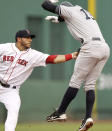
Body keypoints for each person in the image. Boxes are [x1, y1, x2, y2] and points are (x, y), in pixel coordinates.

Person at [41, 0, 110, 131]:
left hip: (90, 46)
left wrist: (51, 1)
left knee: (75, 82)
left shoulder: (69, 10)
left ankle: (60, 112)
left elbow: (45, 5)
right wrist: (59, 19)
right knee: (90, 84)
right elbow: (72, 20)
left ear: (65, 8)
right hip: (104, 48)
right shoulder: (82, 11)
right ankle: (88, 117)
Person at [0, 29, 78, 131]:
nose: (30, 40)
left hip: (11, 91)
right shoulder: (4, 48)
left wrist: (71, 56)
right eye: (27, 37)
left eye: (30, 38)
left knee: (13, 112)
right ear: (19, 39)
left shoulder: (33, 55)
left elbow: (52, 59)